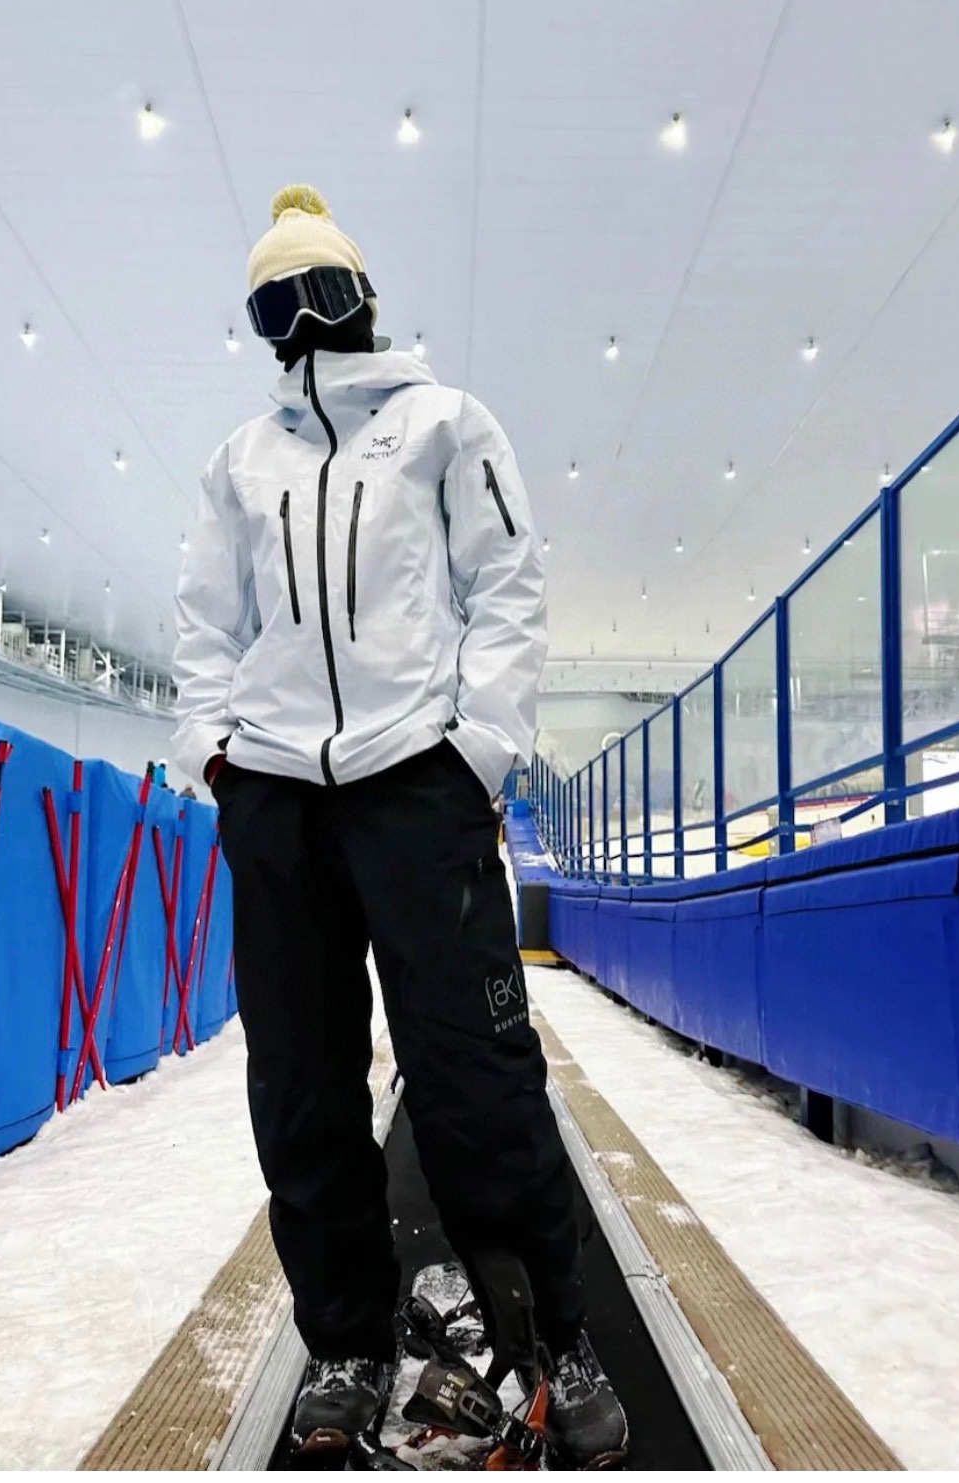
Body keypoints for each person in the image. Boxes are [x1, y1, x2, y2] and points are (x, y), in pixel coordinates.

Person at [171, 184, 626, 1466]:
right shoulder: (239, 463)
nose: (305, 322)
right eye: (276, 305)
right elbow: (204, 619)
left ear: (363, 295)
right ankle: (348, 1341)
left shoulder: (444, 424)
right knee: (301, 1084)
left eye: (321, 290)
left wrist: (478, 749)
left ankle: (551, 1332)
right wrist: (215, 756)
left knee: (476, 1071)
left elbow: (507, 582)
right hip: (276, 794)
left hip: (416, 783)